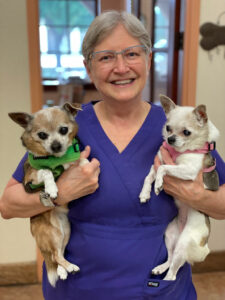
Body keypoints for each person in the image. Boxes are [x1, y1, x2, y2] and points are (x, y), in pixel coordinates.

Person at [0, 10, 225, 300]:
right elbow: (7, 205)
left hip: (160, 291)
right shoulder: (68, 129)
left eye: (132, 53)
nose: (121, 67)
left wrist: (194, 195)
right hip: (78, 290)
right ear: (88, 67)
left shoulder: (178, 129)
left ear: (148, 59)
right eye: (105, 57)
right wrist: (58, 194)